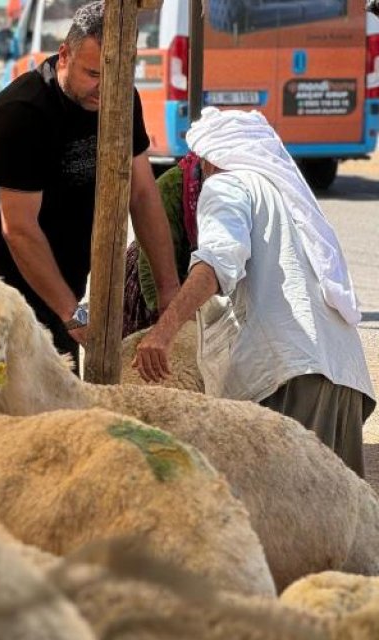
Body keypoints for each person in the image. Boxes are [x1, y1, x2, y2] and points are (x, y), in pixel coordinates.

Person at [133, 108, 374, 477]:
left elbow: (216, 261)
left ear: (209, 157)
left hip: (289, 378)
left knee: (279, 519)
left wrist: (162, 332)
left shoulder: (227, 186)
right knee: (334, 527)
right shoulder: (289, 196)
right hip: (345, 381)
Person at [0, 0, 179, 365]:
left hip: (62, 289)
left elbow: (142, 192)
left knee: (60, 411)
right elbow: (19, 229)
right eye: (93, 73)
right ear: (64, 56)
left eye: (119, 74)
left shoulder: (121, 98)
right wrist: (72, 314)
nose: (106, 89)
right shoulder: (20, 113)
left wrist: (170, 290)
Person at [122, 152, 202, 336]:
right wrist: (168, 319)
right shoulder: (172, 186)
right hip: (156, 273)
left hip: (197, 283)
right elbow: (152, 270)